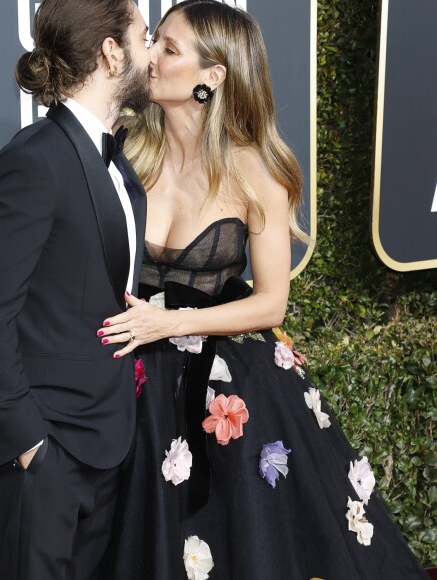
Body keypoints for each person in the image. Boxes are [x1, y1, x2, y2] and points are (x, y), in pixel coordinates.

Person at [96, 1, 428, 578]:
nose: (149, 57)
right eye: (157, 42)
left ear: (213, 76)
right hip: (135, 369)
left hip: (228, 381)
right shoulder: (123, 149)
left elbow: (272, 302)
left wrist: (172, 323)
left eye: (169, 49)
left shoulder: (257, 170)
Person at [0, 0, 150, 577]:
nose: (151, 50)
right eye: (143, 36)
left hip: (109, 439)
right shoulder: (33, 161)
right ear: (112, 53)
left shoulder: (120, 166)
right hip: (50, 453)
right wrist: (29, 447)